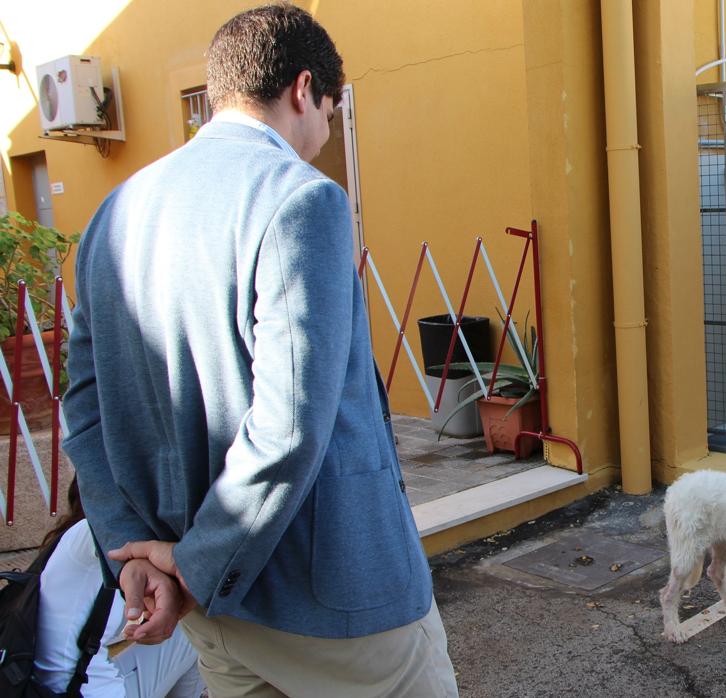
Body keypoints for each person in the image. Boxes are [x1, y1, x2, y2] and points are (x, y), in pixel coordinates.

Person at [63, 5, 458, 696]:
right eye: (331, 112)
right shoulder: (301, 199)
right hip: (340, 604)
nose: (325, 132)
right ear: (304, 90)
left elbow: (85, 412)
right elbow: (288, 425)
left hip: (214, 613)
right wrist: (194, 564)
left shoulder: (112, 217)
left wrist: (133, 554)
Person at [33, 478, 205, 698]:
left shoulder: (68, 542)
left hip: (50, 682)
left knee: (184, 628)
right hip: (77, 691)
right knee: (194, 630)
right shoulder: (90, 532)